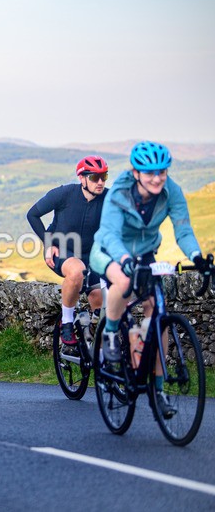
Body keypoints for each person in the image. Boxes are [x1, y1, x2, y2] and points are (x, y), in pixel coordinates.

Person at [90, 141, 207, 418]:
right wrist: (124, 260)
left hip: (144, 253)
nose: (157, 178)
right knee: (123, 282)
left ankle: (158, 390)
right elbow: (110, 234)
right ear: (136, 172)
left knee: (157, 310)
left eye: (162, 172)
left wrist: (198, 257)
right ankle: (110, 333)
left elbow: (183, 229)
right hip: (109, 251)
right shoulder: (120, 192)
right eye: (150, 173)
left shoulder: (171, 191)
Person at [27, 156, 109, 345]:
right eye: (94, 177)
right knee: (77, 271)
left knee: (99, 299)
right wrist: (48, 243)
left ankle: (94, 346)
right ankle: (67, 322)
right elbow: (32, 214)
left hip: (92, 255)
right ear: (82, 178)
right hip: (61, 250)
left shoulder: (109, 199)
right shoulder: (64, 194)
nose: (100, 182)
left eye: (103, 176)